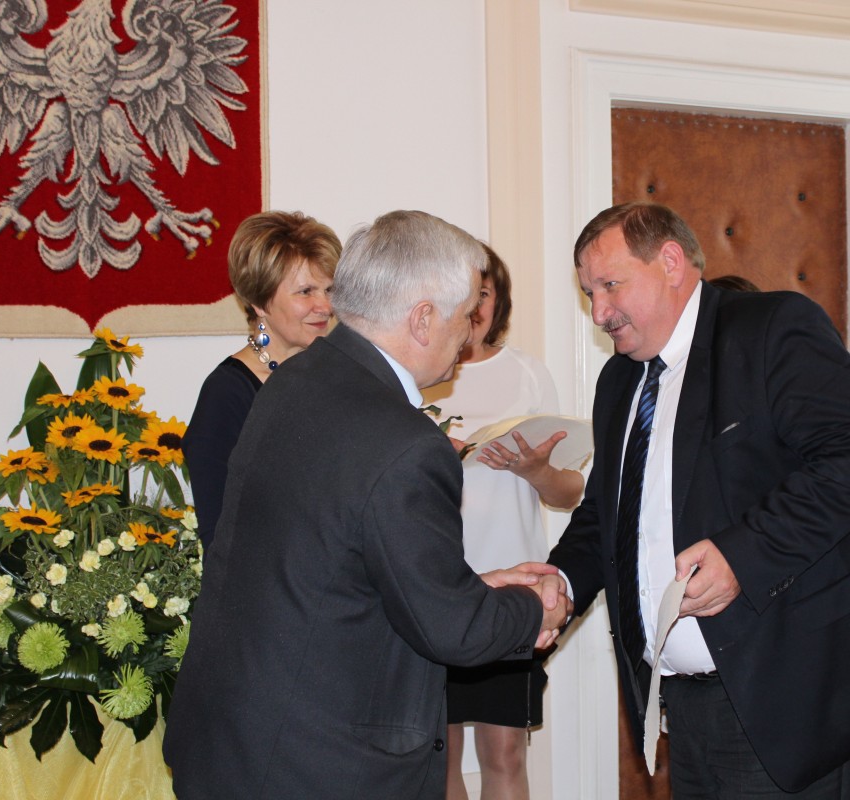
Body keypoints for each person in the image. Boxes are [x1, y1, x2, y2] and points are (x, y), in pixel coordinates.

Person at [163, 210, 572, 799]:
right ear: (423, 319)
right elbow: (451, 629)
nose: (468, 336)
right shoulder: (404, 441)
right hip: (316, 762)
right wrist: (535, 610)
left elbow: (335, 565)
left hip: (238, 740)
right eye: (465, 316)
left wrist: (472, 587)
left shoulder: (294, 381)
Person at [546, 203, 850, 798]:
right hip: (685, 707)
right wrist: (560, 584)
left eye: (610, 285)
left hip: (796, 697)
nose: (598, 312)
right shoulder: (619, 381)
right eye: (588, 293)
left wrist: (742, 558)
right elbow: (605, 514)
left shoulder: (771, 328)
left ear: (670, 262)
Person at [420, 245, 584, 800]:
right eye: (463, 295)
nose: (473, 308)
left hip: (512, 594)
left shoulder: (527, 374)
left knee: (506, 753)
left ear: (498, 301)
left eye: (483, 295)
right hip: (434, 589)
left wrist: (536, 470)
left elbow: (571, 491)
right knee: (437, 759)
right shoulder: (419, 372)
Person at [182, 210, 341, 551]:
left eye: (329, 289)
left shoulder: (336, 378)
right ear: (259, 302)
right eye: (306, 291)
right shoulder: (226, 395)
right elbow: (221, 539)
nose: (325, 306)